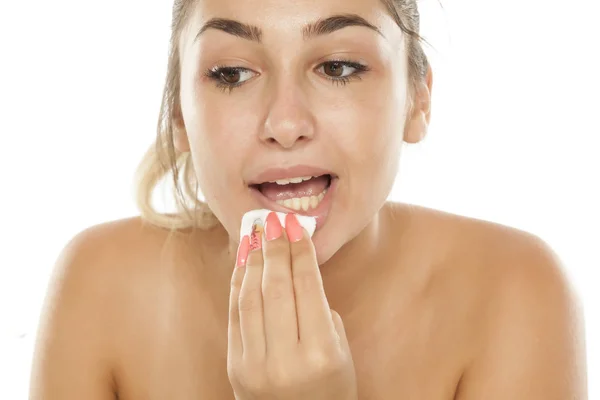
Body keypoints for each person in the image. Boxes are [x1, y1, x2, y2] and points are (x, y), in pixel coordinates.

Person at [29, 0, 587, 399]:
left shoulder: (512, 291)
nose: (285, 122)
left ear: (416, 101)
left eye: (338, 67)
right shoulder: (99, 286)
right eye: (231, 73)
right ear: (180, 116)